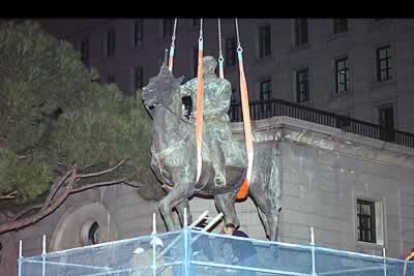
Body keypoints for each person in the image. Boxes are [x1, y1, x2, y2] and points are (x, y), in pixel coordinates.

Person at [181, 56, 233, 187]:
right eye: (200, 65)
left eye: (203, 65)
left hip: (216, 123)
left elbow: (223, 107)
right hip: (194, 124)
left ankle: (219, 172)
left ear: (211, 67)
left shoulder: (223, 84)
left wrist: (203, 115)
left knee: (211, 137)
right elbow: (178, 92)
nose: (201, 68)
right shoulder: (194, 83)